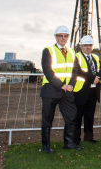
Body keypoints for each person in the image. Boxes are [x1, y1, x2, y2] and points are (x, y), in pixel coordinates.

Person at [40, 25, 82, 153]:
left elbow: (75, 71)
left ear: (68, 37)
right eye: (60, 36)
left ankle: (69, 143)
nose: (63, 38)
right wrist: (61, 85)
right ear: (56, 37)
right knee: (47, 119)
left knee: (72, 116)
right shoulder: (48, 50)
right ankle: (46, 146)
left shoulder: (72, 52)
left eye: (65, 36)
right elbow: (47, 70)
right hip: (51, 90)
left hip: (67, 91)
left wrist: (71, 85)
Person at [73, 35, 101, 145]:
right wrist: (92, 79)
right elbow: (79, 71)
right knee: (78, 117)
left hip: (93, 92)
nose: (88, 47)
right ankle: (75, 139)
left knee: (90, 116)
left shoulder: (95, 57)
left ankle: (89, 137)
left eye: (90, 45)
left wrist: (98, 78)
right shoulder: (76, 57)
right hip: (81, 91)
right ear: (81, 46)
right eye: (85, 45)